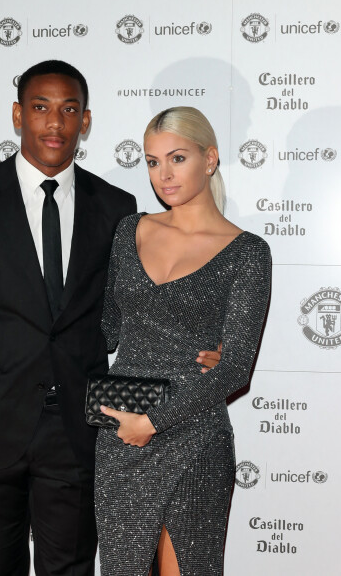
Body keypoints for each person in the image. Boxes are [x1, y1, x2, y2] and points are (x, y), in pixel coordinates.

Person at [0, 61, 222, 575]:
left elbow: (135, 313)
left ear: (86, 121)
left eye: (69, 109)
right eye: (40, 108)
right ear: (18, 115)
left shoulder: (119, 209)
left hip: (81, 434)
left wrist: (200, 348)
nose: (55, 122)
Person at [95, 106, 271, 576]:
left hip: (194, 432)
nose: (164, 175)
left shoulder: (248, 252)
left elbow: (234, 368)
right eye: (153, 162)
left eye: (177, 158)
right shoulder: (130, 230)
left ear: (209, 159)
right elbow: (106, 329)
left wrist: (153, 420)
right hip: (122, 435)